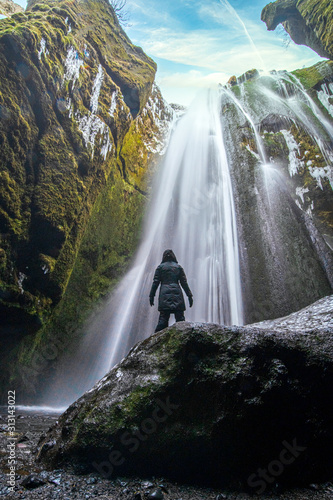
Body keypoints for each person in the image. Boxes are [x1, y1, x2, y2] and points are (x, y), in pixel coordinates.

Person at [149, 249, 193, 332]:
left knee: (163, 319)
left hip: (164, 294)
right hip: (177, 293)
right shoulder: (178, 267)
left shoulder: (160, 268)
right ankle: (184, 340)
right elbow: (184, 283)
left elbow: (155, 283)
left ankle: (156, 340)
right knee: (180, 320)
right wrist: (189, 295)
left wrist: (151, 296)